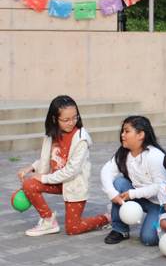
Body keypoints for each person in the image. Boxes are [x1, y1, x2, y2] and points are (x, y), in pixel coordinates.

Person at [18, 95, 109, 237]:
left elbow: (72, 171)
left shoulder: (81, 138)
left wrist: (43, 178)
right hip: (57, 181)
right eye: (65, 120)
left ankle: (108, 217)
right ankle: (48, 221)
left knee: (72, 229)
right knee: (29, 184)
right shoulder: (51, 135)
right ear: (54, 119)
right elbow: (50, 158)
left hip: (74, 185)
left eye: (75, 118)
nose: (71, 123)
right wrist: (30, 168)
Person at [101, 116, 166, 246]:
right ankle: (120, 230)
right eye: (123, 131)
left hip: (160, 204)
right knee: (119, 183)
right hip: (144, 198)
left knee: (149, 238)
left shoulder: (154, 156)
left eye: (127, 131)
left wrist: (132, 194)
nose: (122, 135)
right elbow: (106, 171)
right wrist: (111, 193)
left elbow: (161, 186)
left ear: (140, 135)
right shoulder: (124, 153)